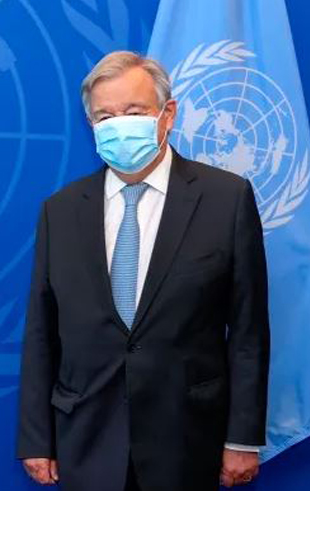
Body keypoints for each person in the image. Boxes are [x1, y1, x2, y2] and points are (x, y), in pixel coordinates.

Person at [16, 51, 270, 490]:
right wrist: (36, 438)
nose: (118, 125)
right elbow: (42, 331)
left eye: (133, 112)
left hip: (189, 439)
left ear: (166, 114)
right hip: (87, 438)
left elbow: (248, 332)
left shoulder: (226, 199)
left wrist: (243, 438)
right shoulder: (59, 212)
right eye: (105, 116)